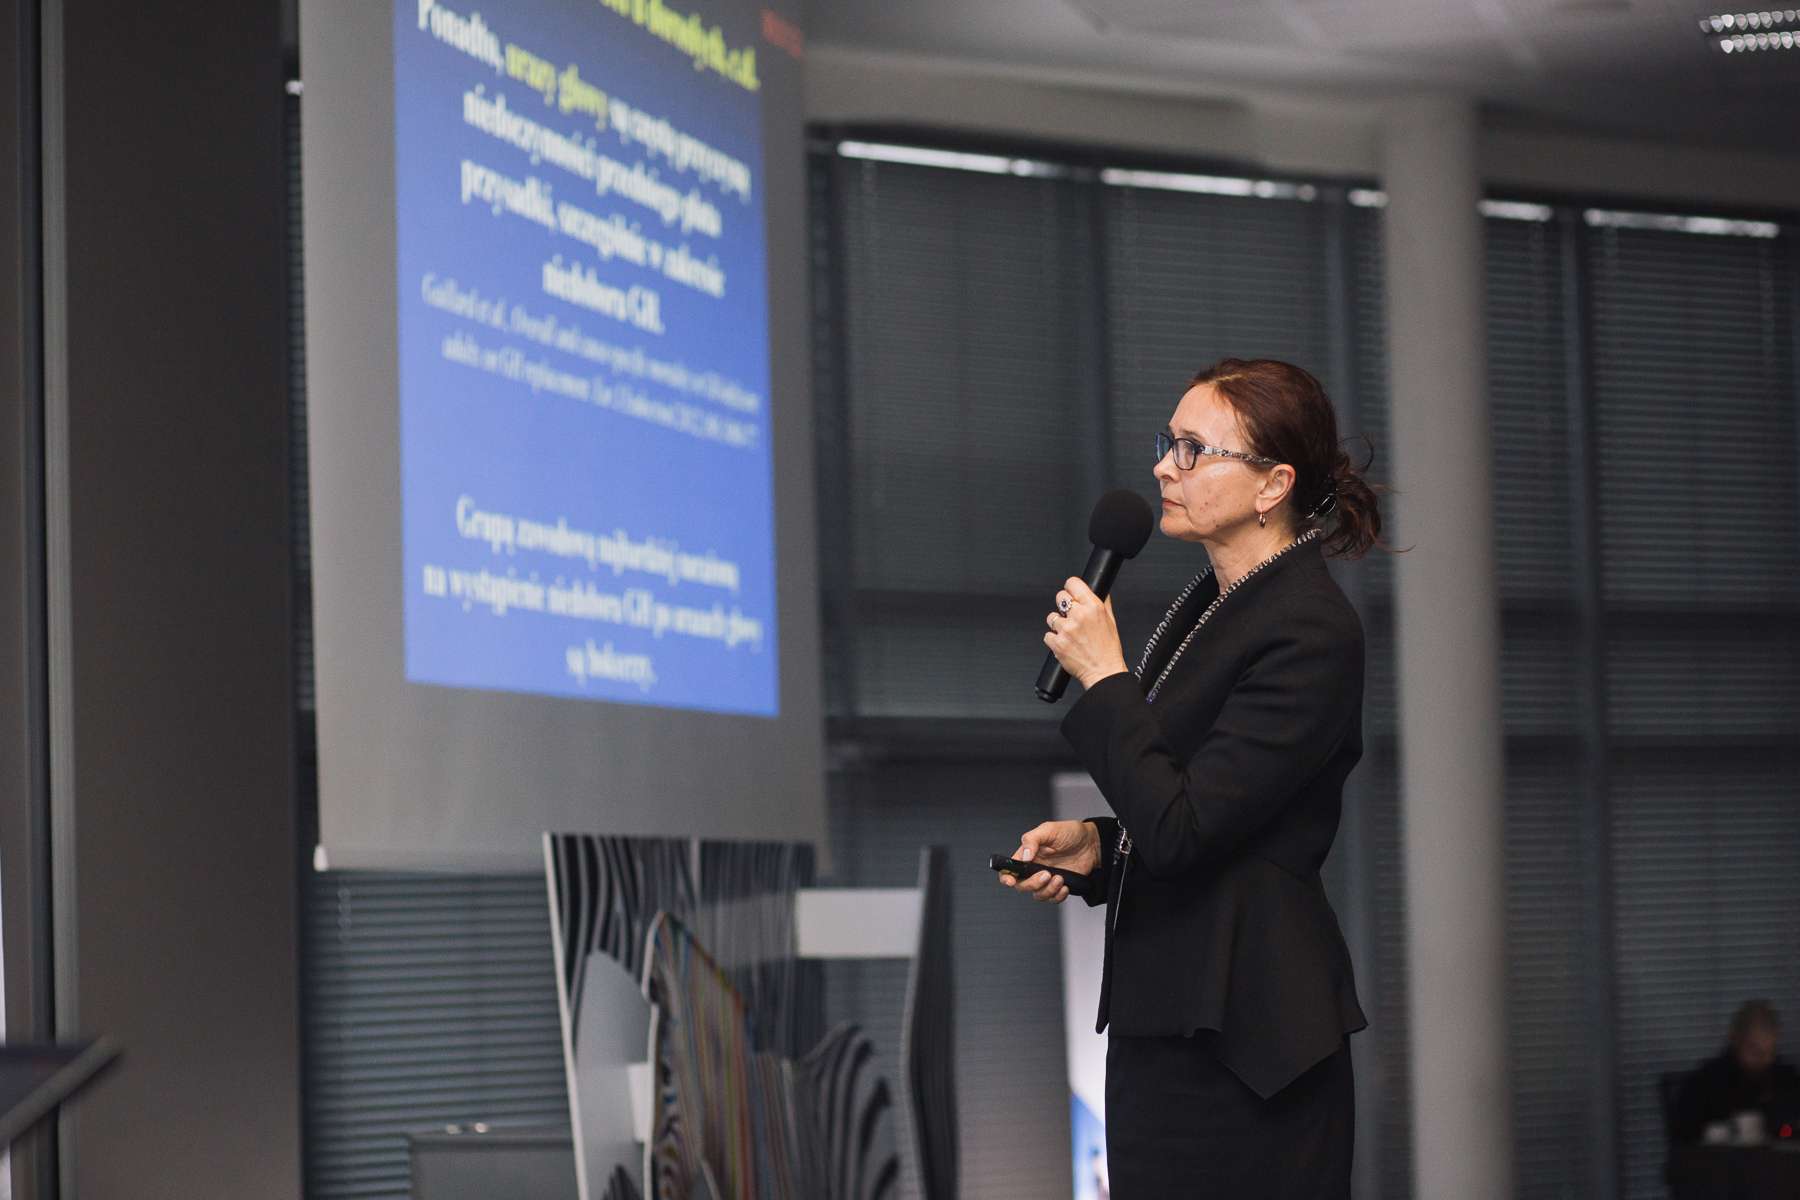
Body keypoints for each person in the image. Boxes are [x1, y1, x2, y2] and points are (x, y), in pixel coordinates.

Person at [1001, 358, 1385, 1199]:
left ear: (1272, 485)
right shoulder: (1214, 604)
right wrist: (1100, 847)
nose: (1163, 469)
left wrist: (1106, 677)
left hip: (1247, 1049)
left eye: (1193, 449)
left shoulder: (1311, 629)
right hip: (1168, 1027)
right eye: (1166, 443)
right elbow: (1194, 803)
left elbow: (1188, 830)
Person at [1671, 1001, 1800, 1144]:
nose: (1761, 1060)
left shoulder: (1785, 1079)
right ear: (1734, 1039)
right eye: (1753, 1051)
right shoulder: (1706, 1083)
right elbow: (1684, 1140)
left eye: (1768, 1052)